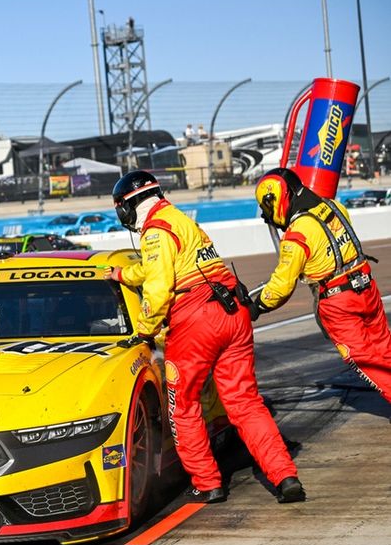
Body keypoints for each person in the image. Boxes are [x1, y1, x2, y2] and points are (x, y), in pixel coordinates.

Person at [105, 170, 304, 504]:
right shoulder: (180, 220)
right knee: (245, 403)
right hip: (232, 310)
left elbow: (158, 288)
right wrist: (123, 274)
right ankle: (285, 476)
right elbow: (157, 269)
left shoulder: (155, 232)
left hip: (195, 319)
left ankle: (207, 483)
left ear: (127, 206)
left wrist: (144, 330)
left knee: (182, 406)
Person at [250, 167, 391, 403]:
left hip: (339, 304)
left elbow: (282, 286)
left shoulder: (296, 236)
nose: (268, 215)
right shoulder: (335, 207)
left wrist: (258, 307)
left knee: (367, 363)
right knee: (385, 351)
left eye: (267, 208)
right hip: (366, 288)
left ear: (275, 199)